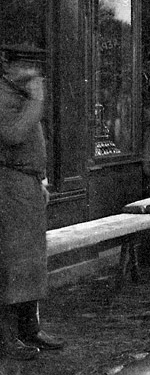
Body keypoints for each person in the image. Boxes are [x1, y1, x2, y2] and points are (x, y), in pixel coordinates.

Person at [0, 44, 65, 361]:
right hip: (8, 186)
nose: (35, 74)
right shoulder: (4, 96)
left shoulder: (20, 95)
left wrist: (39, 180)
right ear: (10, 66)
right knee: (12, 262)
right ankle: (7, 338)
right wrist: (37, 99)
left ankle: (29, 328)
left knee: (31, 261)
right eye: (28, 66)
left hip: (25, 184)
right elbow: (12, 135)